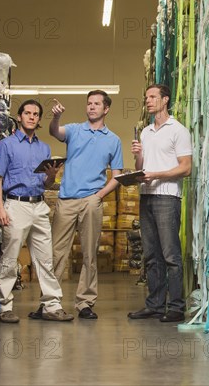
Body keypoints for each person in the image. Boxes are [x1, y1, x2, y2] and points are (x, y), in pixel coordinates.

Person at [43, 90, 123, 320]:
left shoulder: (113, 140)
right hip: (66, 199)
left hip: (91, 201)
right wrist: (56, 117)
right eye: (89, 103)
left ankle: (85, 302)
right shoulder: (74, 130)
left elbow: (117, 175)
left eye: (97, 104)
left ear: (106, 109)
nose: (91, 107)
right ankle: (49, 301)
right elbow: (54, 131)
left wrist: (99, 196)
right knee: (57, 252)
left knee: (89, 254)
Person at [0, 99, 74, 323]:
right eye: (27, 113)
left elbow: (47, 185)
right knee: (10, 258)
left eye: (36, 114)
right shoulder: (7, 145)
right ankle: (4, 306)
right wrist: (0, 207)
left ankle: (51, 305)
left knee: (45, 258)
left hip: (39, 205)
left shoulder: (44, 148)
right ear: (19, 117)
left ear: (38, 119)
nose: (31, 117)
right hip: (15, 205)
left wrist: (51, 175)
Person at [128, 84, 192, 323]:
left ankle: (175, 306)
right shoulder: (145, 132)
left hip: (167, 197)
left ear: (165, 100)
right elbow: (140, 169)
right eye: (146, 97)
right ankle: (155, 304)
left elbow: (186, 168)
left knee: (170, 255)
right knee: (150, 254)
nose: (148, 101)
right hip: (146, 196)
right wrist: (138, 156)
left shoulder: (178, 130)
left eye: (153, 97)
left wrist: (155, 175)